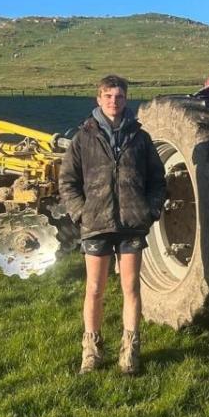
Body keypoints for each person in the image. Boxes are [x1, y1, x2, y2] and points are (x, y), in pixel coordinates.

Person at [60, 74, 165, 375]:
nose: (113, 101)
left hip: (132, 223)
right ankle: (91, 351)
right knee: (94, 288)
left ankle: (130, 349)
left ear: (126, 99)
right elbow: (67, 181)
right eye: (108, 96)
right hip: (96, 223)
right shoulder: (84, 137)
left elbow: (157, 179)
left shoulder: (140, 138)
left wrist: (151, 210)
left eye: (119, 96)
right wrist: (81, 212)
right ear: (98, 99)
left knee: (131, 286)